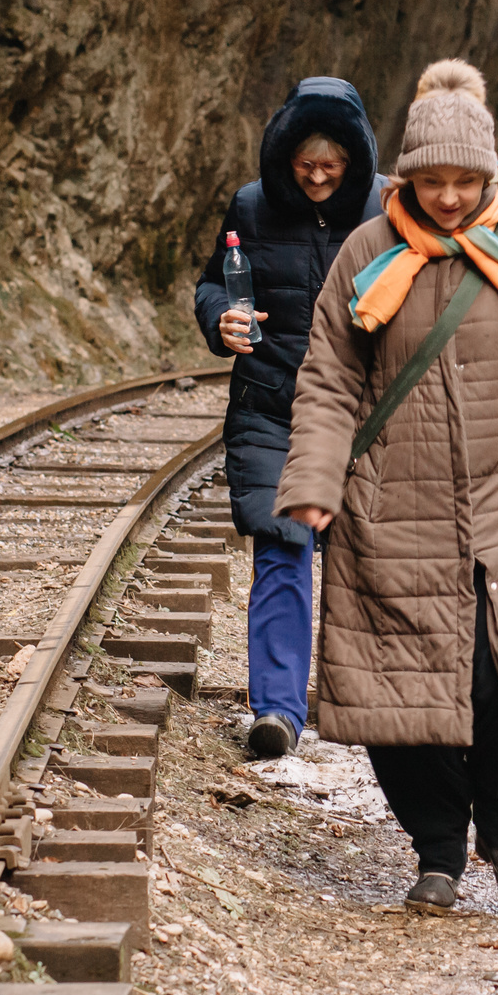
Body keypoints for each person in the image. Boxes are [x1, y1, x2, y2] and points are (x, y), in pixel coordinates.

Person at [277, 59, 498, 912]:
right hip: (392, 506)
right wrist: (315, 483)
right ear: (402, 176)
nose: (449, 200)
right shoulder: (367, 250)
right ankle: (436, 848)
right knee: (406, 693)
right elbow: (327, 381)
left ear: (492, 175)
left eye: (466, 182)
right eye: (431, 182)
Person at [195, 78, 384, 760]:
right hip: (274, 406)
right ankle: (276, 709)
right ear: (284, 153)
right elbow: (214, 281)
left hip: (370, 412)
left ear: (354, 157)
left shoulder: (390, 208)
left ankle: (366, 702)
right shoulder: (251, 203)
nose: (317, 171)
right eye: (306, 158)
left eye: (331, 159)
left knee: (371, 561)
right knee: (282, 547)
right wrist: (221, 318)